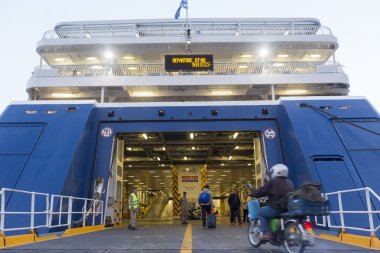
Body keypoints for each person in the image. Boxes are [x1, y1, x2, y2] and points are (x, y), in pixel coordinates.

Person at [249, 164, 294, 241]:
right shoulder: (290, 182)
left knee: (261, 213)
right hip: (287, 209)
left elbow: (262, 191)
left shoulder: (272, 182)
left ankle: (266, 233)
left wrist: (253, 193)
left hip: (276, 208)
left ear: (276, 172)